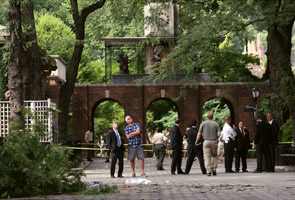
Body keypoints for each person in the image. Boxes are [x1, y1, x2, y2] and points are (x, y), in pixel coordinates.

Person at [196, 111, 221, 176]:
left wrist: (196, 141)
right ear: (212, 116)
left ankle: (208, 171)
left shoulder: (203, 124)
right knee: (215, 155)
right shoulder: (216, 124)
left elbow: (199, 134)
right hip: (214, 141)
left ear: (207, 116)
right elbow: (219, 134)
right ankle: (214, 169)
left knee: (207, 156)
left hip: (206, 141)